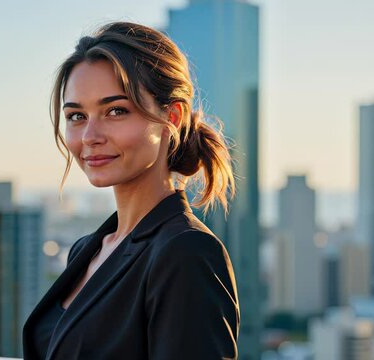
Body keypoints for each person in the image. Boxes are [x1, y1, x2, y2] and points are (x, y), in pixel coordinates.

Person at [22, 21, 240, 360]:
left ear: (173, 115)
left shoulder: (186, 253)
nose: (90, 135)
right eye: (77, 116)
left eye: (116, 111)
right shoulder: (87, 250)